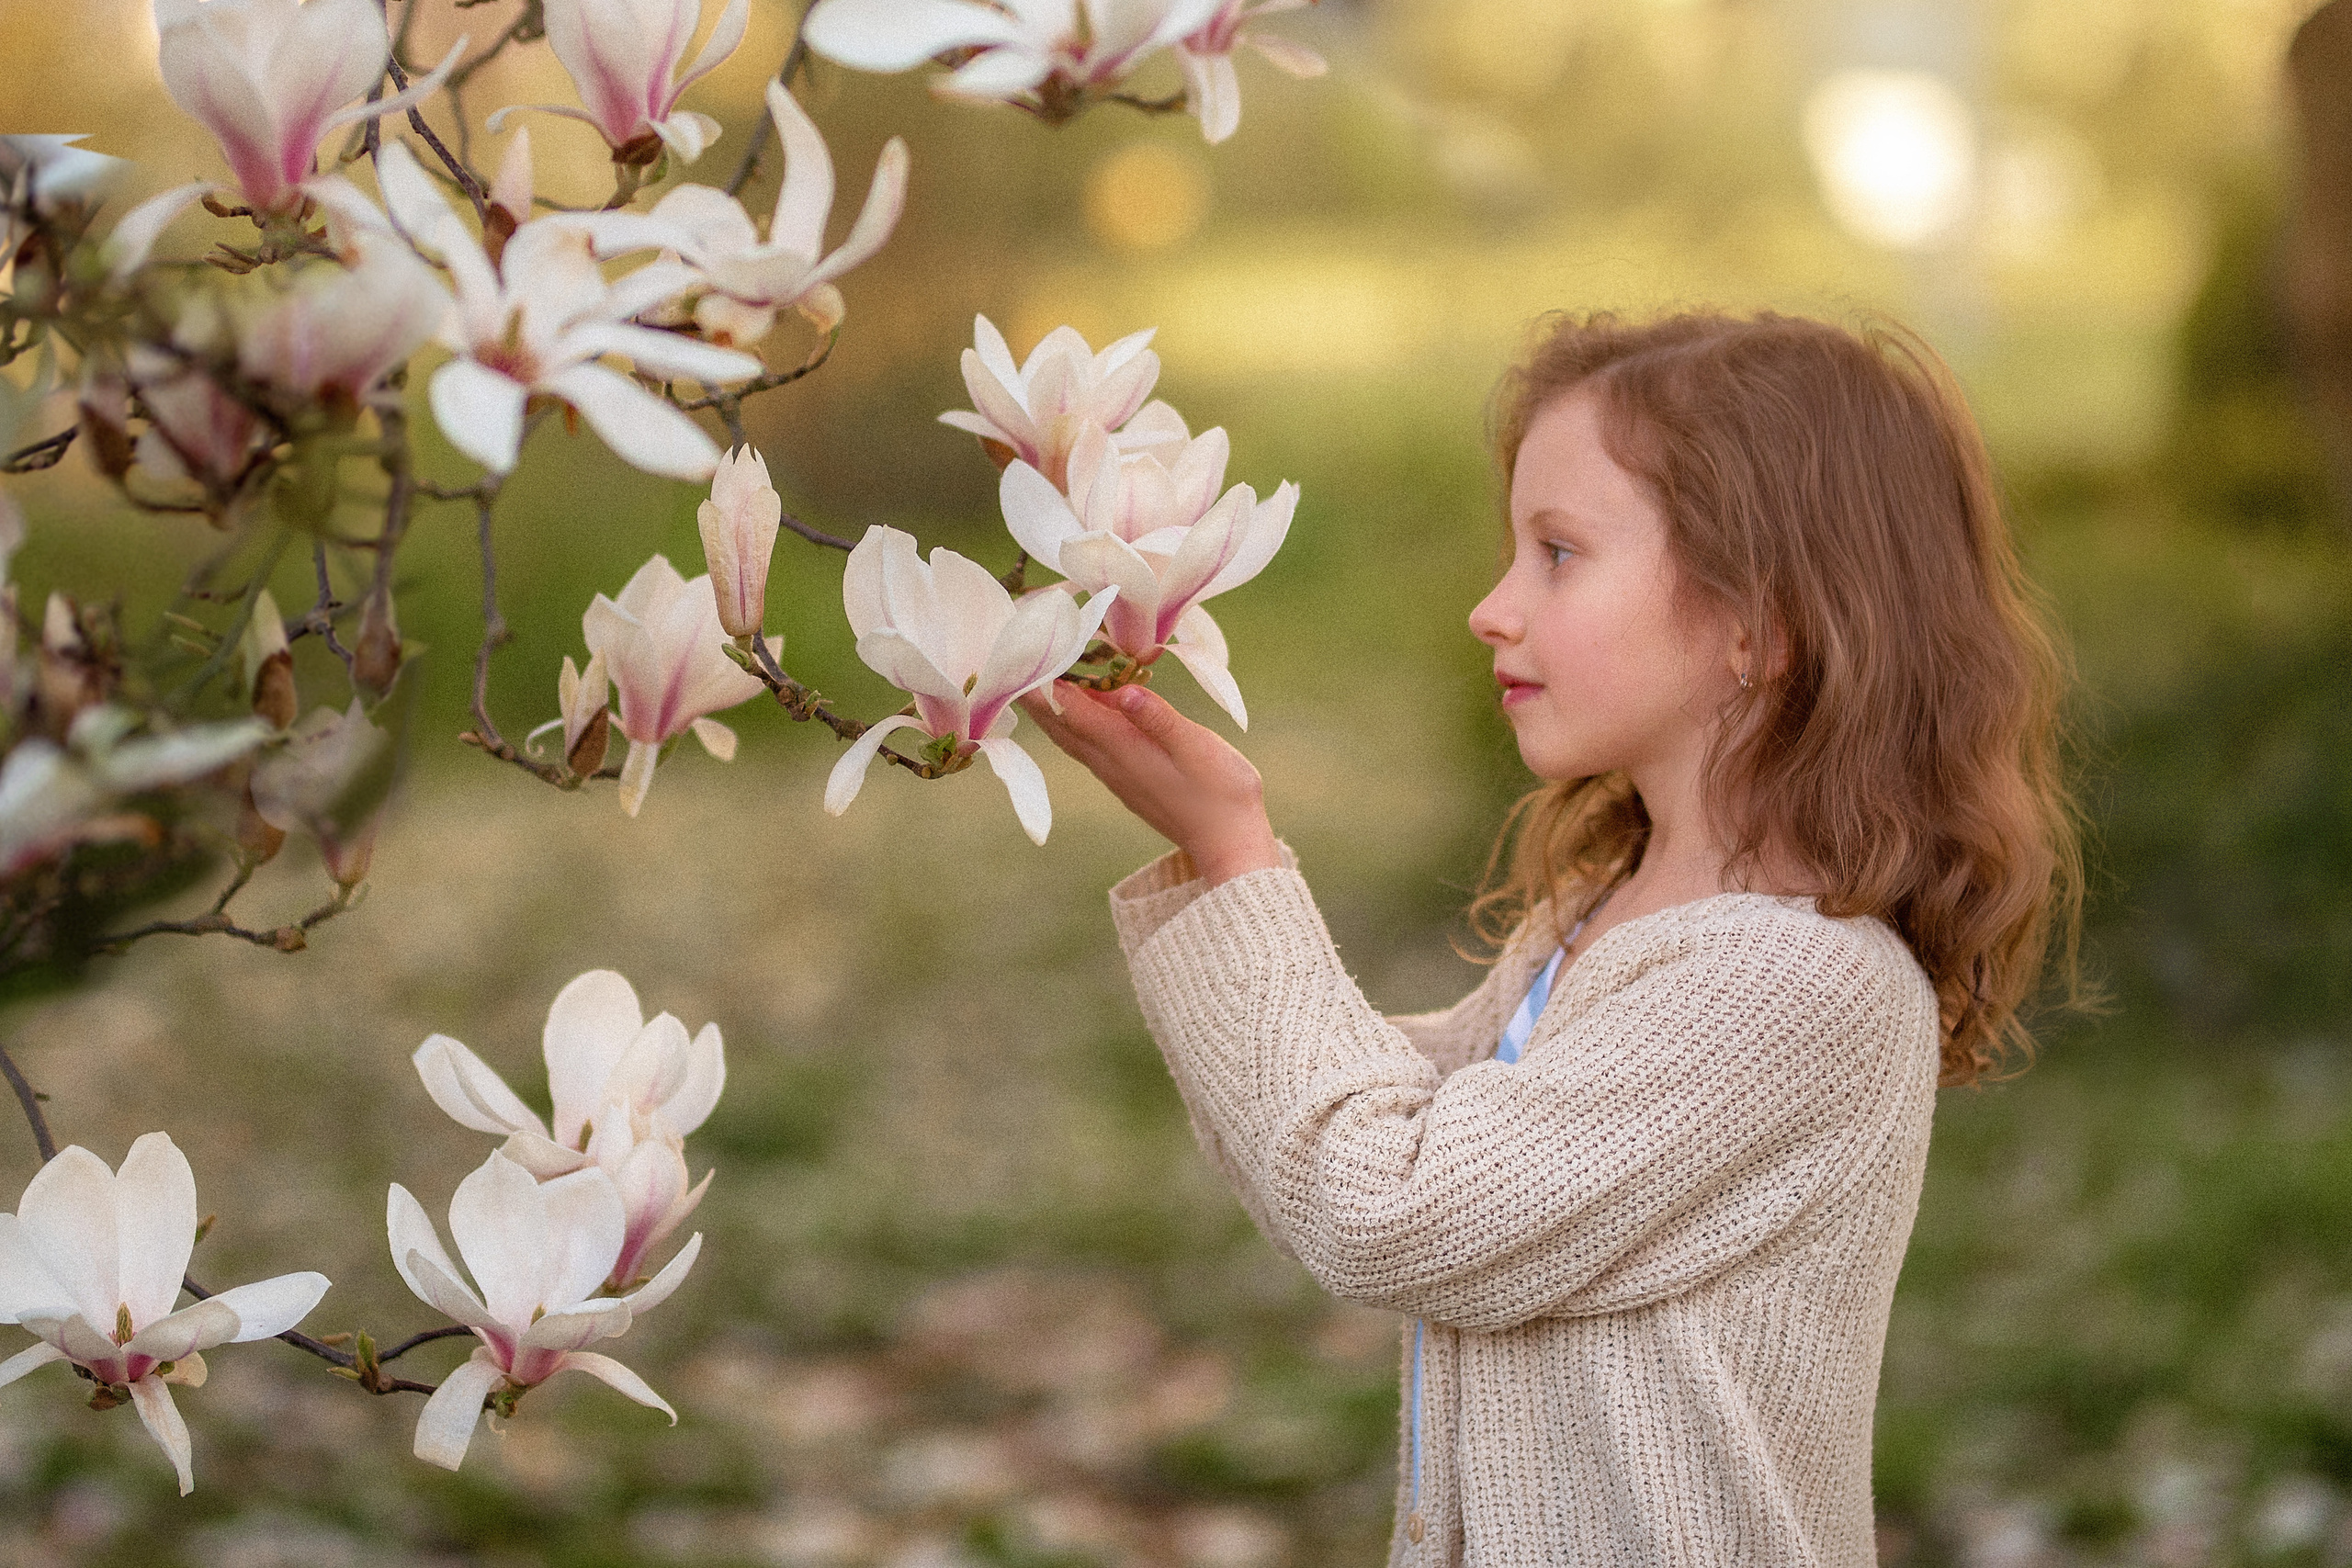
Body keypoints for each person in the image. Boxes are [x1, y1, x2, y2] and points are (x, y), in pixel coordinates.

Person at [1017, 310, 2085, 1567]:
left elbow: (1386, 1201)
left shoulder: (1798, 984)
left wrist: (1239, 854)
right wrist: (1214, 863)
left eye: (1559, 554)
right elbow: (1341, 1134)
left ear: (1761, 622)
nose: (1492, 608)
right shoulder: (1605, 907)